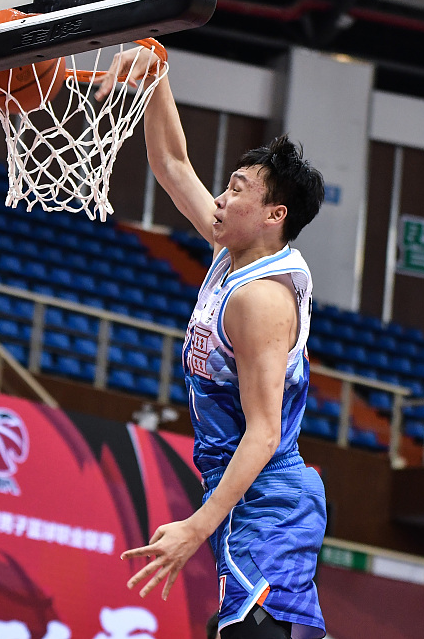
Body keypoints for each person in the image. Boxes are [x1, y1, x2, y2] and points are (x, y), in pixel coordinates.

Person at [95, 50, 328, 639]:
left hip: (270, 503)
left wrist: (194, 529)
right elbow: (173, 164)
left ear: (274, 215)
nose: (220, 198)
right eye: (225, 186)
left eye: (236, 190)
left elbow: (265, 432)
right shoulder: (232, 251)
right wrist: (156, 73)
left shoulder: (260, 299)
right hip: (244, 496)